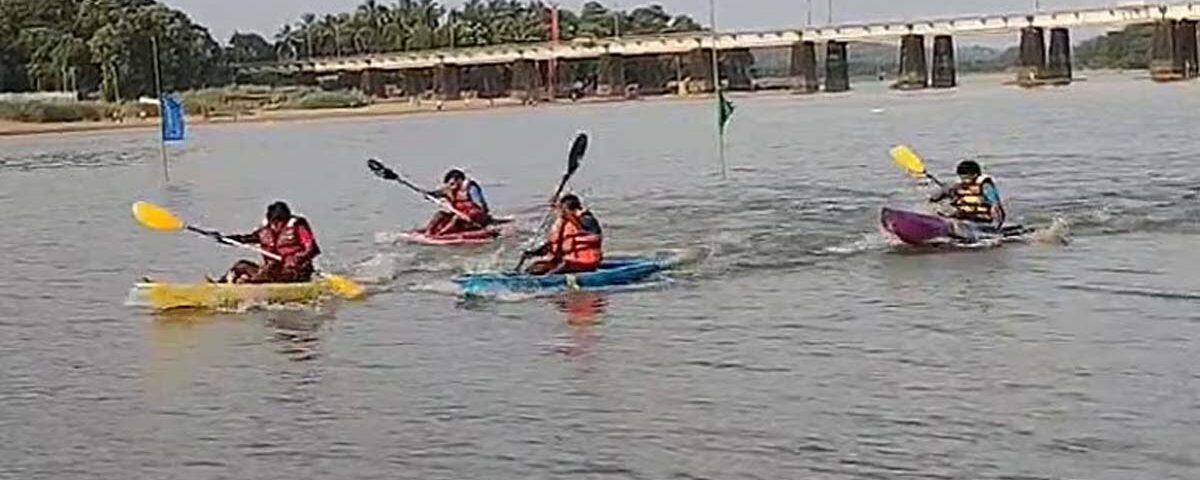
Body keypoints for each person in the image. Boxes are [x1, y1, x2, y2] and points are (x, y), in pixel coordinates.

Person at [215, 201, 321, 284]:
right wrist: (225, 239)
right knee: (241, 265)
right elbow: (246, 239)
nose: (275, 225)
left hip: (294, 272)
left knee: (271, 267)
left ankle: (251, 285)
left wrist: (297, 258)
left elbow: (313, 249)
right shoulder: (266, 230)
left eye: (279, 222)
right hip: (271, 271)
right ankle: (220, 284)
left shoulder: (298, 227)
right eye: (273, 222)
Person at [524, 194, 603, 275]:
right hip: (565, 261)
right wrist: (534, 253)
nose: (560, 213)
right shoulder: (565, 222)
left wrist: (569, 216)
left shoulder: (587, 219)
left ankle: (549, 278)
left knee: (558, 268)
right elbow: (553, 245)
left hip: (584, 262)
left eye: (563, 210)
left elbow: (587, 233)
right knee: (535, 268)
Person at [930, 159, 1006, 233]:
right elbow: (941, 196)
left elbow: (994, 202)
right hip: (963, 217)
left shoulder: (985, 186)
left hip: (981, 220)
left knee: (960, 223)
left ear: (975, 175)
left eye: (966, 178)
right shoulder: (958, 186)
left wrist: (995, 210)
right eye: (961, 177)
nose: (963, 180)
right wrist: (938, 197)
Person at [423, 168, 491, 236]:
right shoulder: (450, 189)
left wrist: (472, 217)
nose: (450, 186)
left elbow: (480, 206)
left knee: (456, 218)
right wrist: (429, 195)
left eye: (452, 183)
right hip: (459, 214)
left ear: (459, 180)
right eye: (449, 184)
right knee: (439, 214)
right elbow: (436, 194)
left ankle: (441, 234)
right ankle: (428, 232)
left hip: (474, 217)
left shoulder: (471, 189)